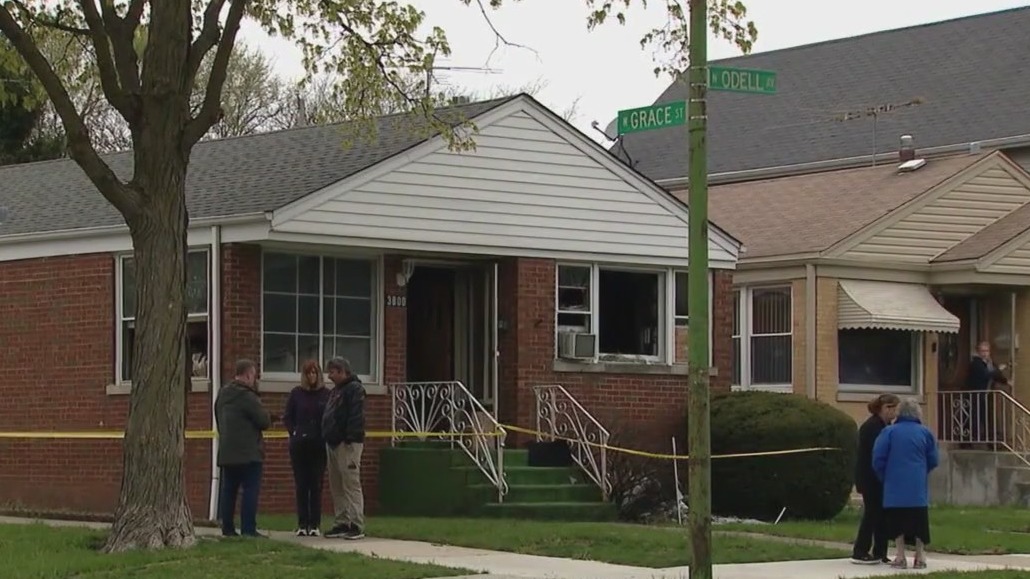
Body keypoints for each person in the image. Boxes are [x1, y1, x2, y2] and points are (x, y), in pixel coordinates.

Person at [872, 397, 939, 570]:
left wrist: (883, 476)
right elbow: (933, 459)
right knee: (919, 521)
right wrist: (922, 471)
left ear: (899, 413)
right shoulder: (925, 433)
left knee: (897, 521)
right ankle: (920, 555)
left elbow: (878, 458)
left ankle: (900, 555)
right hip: (917, 486)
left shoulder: (889, 432)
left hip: (894, 485)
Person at [215, 359, 271, 538]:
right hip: (249, 453)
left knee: (228, 490)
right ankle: (248, 529)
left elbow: (217, 417)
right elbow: (263, 421)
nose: (254, 380)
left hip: (227, 450)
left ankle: (228, 528)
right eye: (254, 376)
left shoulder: (222, 394)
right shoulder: (248, 396)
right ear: (248, 375)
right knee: (250, 490)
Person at [851, 393, 899, 565]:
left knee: (882, 516)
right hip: (869, 477)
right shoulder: (872, 427)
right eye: (888, 407)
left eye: (894, 407)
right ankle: (860, 550)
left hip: (879, 478)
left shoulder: (886, 426)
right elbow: (874, 454)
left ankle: (880, 551)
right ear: (880, 408)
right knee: (871, 514)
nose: (892, 411)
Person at [284, 359, 330, 537]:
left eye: (314, 372)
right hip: (300, 445)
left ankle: (315, 524)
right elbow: (288, 416)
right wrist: (294, 432)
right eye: (308, 373)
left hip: (319, 444)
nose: (312, 376)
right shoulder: (297, 394)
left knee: (316, 484)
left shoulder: (326, 394)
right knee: (301, 484)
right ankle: (302, 523)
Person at [321, 357, 366, 540]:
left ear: (341, 371)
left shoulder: (355, 389)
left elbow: (356, 415)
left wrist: (349, 437)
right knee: (337, 484)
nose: (329, 376)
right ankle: (341, 521)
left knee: (350, 483)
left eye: (332, 372)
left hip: (347, 444)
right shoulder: (336, 391)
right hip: (332, 442)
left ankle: (356, 524)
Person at [966, 340, 1010, 446]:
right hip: (977, 394)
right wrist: (998, 369)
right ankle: (971, 441)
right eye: (982, 351)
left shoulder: (990, 363)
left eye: (987, 351)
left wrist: (1006, 381)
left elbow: (995, 375)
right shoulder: (976, 363)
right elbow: (986, 375)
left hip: (987, 394)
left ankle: (991, 441)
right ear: (978, 352)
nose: (985, 353)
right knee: (975, 418)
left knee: (988, 417)